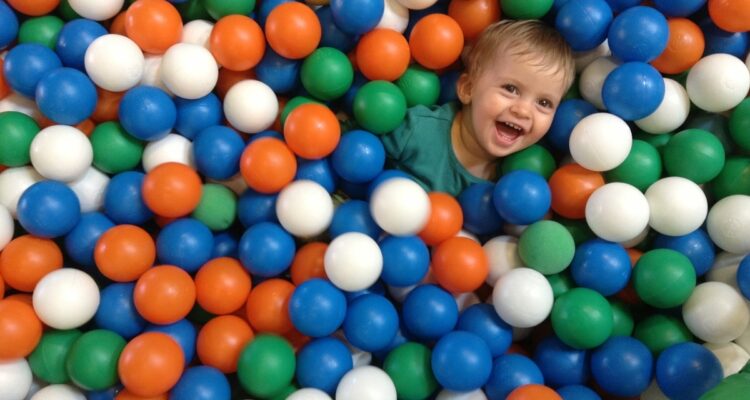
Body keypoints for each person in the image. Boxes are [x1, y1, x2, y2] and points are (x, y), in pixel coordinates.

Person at [382, 19, 576, 196]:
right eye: (511, 89)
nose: (523, 110)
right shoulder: (416, 130)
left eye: (543, 103)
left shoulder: (520, 182)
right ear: (468, 89)